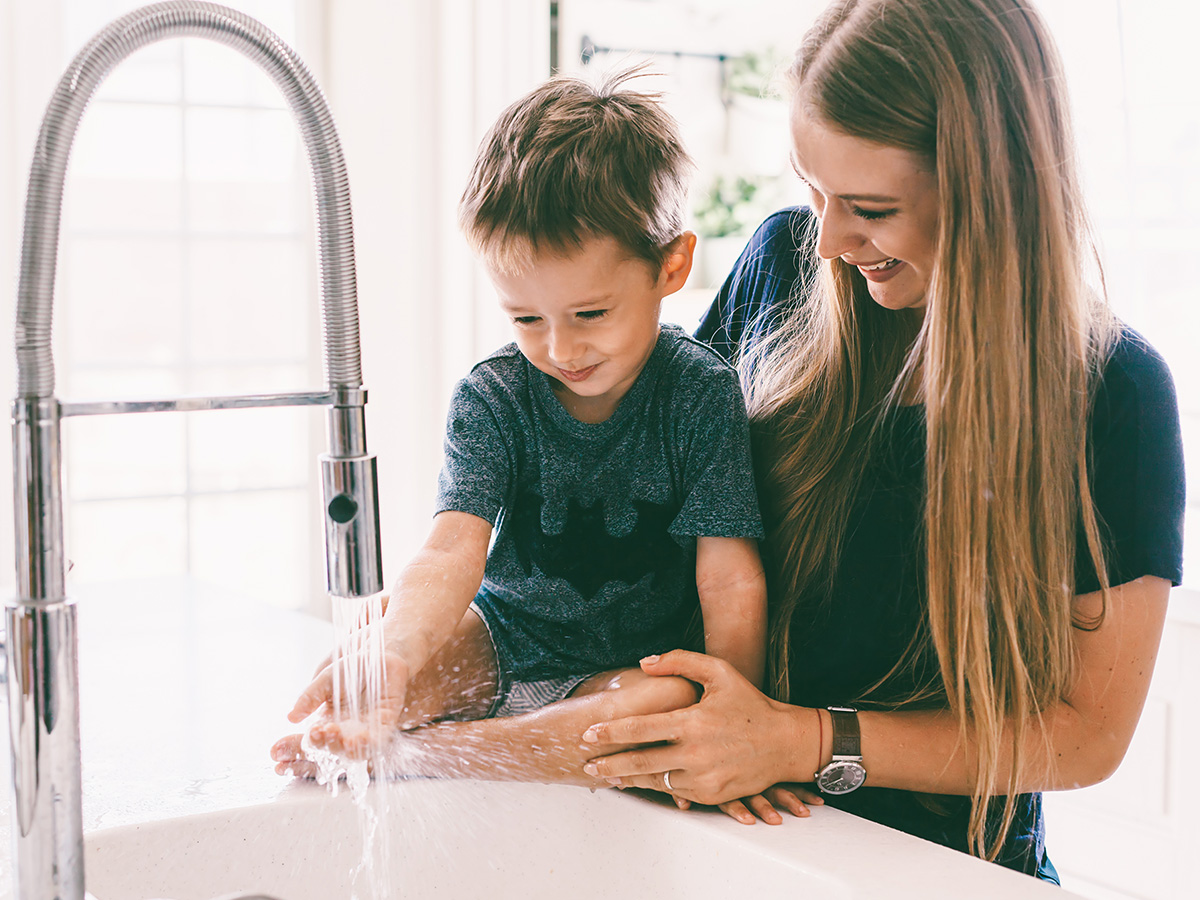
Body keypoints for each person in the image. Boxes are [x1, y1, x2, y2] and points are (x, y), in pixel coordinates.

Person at [576, 0, 1185, 882]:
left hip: (940, 868)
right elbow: (639, 511)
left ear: (990, 190)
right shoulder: (785, 262)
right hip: (726, 835)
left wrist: (801, 741)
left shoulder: (1113, 395)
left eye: (869, 207)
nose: (828, 239)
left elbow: (1085, 734)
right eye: (812, 189)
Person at [272, 69, 770, 818]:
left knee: (661, 708)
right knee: (384, 671)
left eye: (589, 313)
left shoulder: (700, 394)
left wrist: (737, 728)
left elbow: (730, 579)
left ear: (670, 267)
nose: (560, 347)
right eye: (526, 319)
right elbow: (449, 552)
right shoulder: (495, 396)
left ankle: (439, 754)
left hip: (626, 670)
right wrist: (398, 655)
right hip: (501, 640)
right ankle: (397, 728)